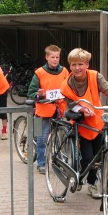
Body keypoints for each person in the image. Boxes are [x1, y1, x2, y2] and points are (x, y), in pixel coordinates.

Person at [61, 48, 108, 198]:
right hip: (82, 123)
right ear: (70, 66)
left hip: (97, 122)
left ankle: (92, 183)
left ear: (87, 64)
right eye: (73, 64)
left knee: (99, 155)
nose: (77, 68)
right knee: (88, 157)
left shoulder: (95, 76)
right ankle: (80, 172)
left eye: (81, 64)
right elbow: (70, 103)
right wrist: (82, 109)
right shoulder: (67, 84)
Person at [28, 45, 69, 174]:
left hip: (59, 110)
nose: (55, 60)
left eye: (57, 57)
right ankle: (41, 163)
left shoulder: (64, 71)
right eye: (52, 57)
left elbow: (69, 87)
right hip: (42, 111)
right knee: (41, 138)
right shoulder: (39, 72)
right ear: (46, 57)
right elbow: (31, 92)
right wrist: (38, 94)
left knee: (60, 137)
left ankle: (60, 160)